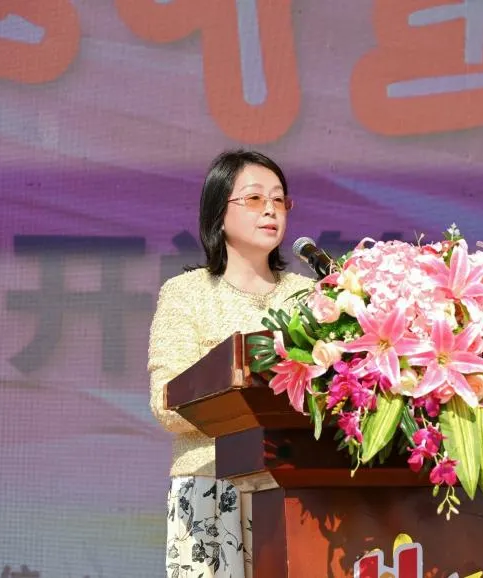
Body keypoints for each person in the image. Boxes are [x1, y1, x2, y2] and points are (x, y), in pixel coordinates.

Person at [147, 150, 315, 578]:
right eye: (255, 199)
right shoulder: (187, 293)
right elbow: (166, 404)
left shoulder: (310, 296)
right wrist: (248, 401)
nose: (271, 210)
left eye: (279, 200)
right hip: (210, 489)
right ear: (218, 214)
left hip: (294, 487)